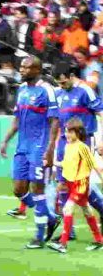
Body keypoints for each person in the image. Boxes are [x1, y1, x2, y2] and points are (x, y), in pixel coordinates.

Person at [0, 56, 61, 249]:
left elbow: (54, 121)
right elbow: (17, 119)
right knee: (19, 189)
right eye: (21, 67)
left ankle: (39, 236)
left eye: (26, 68)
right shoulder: (22, 89)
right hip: (22, 147)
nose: (22, 70)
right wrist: (5, 140)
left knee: (38, 189)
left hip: (39, 147)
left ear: (37, 70)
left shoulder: (47, 90)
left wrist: (50, 149)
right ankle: (50, 217)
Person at [50, 63, 103, 226]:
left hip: (83, 141)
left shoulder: (85, 91)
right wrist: (51, 147)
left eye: (64, 82)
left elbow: (101, 113)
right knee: (63, 183)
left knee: (80, 183)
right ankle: (69, 231)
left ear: (72, 76)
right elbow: (56, 122)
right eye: (58, 83)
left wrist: (102, 140)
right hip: (64, 143)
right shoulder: (57, 93)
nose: (61, 85)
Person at [46, 120, 103, 254]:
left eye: (71, 132)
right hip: (71, 184)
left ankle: (63, 244)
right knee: (87, 210)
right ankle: (99, 240)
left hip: (81, 184)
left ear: (78, 133)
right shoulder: (68, 146)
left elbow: (94, 166)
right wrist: (53, 162)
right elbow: (66, 164)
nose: (67, 134)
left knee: (67, 208)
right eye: (66, 131)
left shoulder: (83, 147)